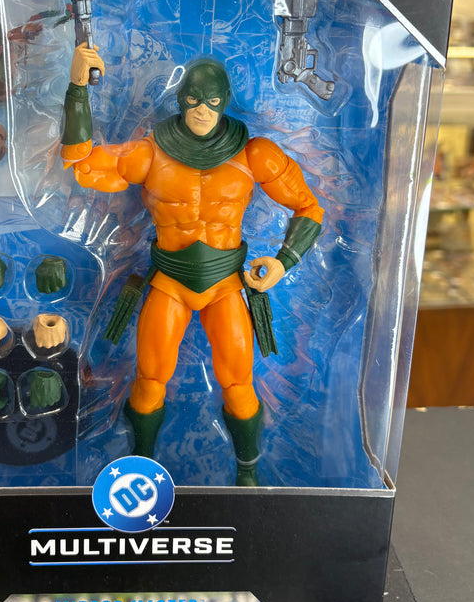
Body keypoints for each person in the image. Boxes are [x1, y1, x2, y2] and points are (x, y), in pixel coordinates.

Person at [61, 44, 324, 485]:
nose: (202, 110)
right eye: (193, 99)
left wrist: (284, 263)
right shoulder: (151, 153)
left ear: (225, 101)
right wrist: (77, 89)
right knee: (149, 381)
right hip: (170, 281)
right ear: (181, 99)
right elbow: (82, 163)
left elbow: (309, 208)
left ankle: (248, 474)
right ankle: (139, 467)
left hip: (226, 284)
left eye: (212, 101)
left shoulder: (255, 153)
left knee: (239, 385)